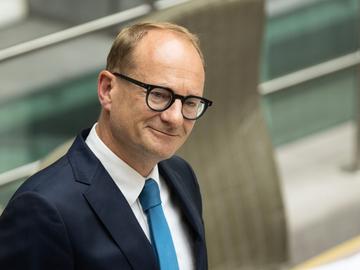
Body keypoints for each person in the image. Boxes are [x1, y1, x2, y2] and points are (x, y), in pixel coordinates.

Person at [0, 22, 212, 270]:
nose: (175, 118)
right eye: (159, 94)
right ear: (107, 89)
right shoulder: (42, 210)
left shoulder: (181, 176)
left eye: (190, 102)